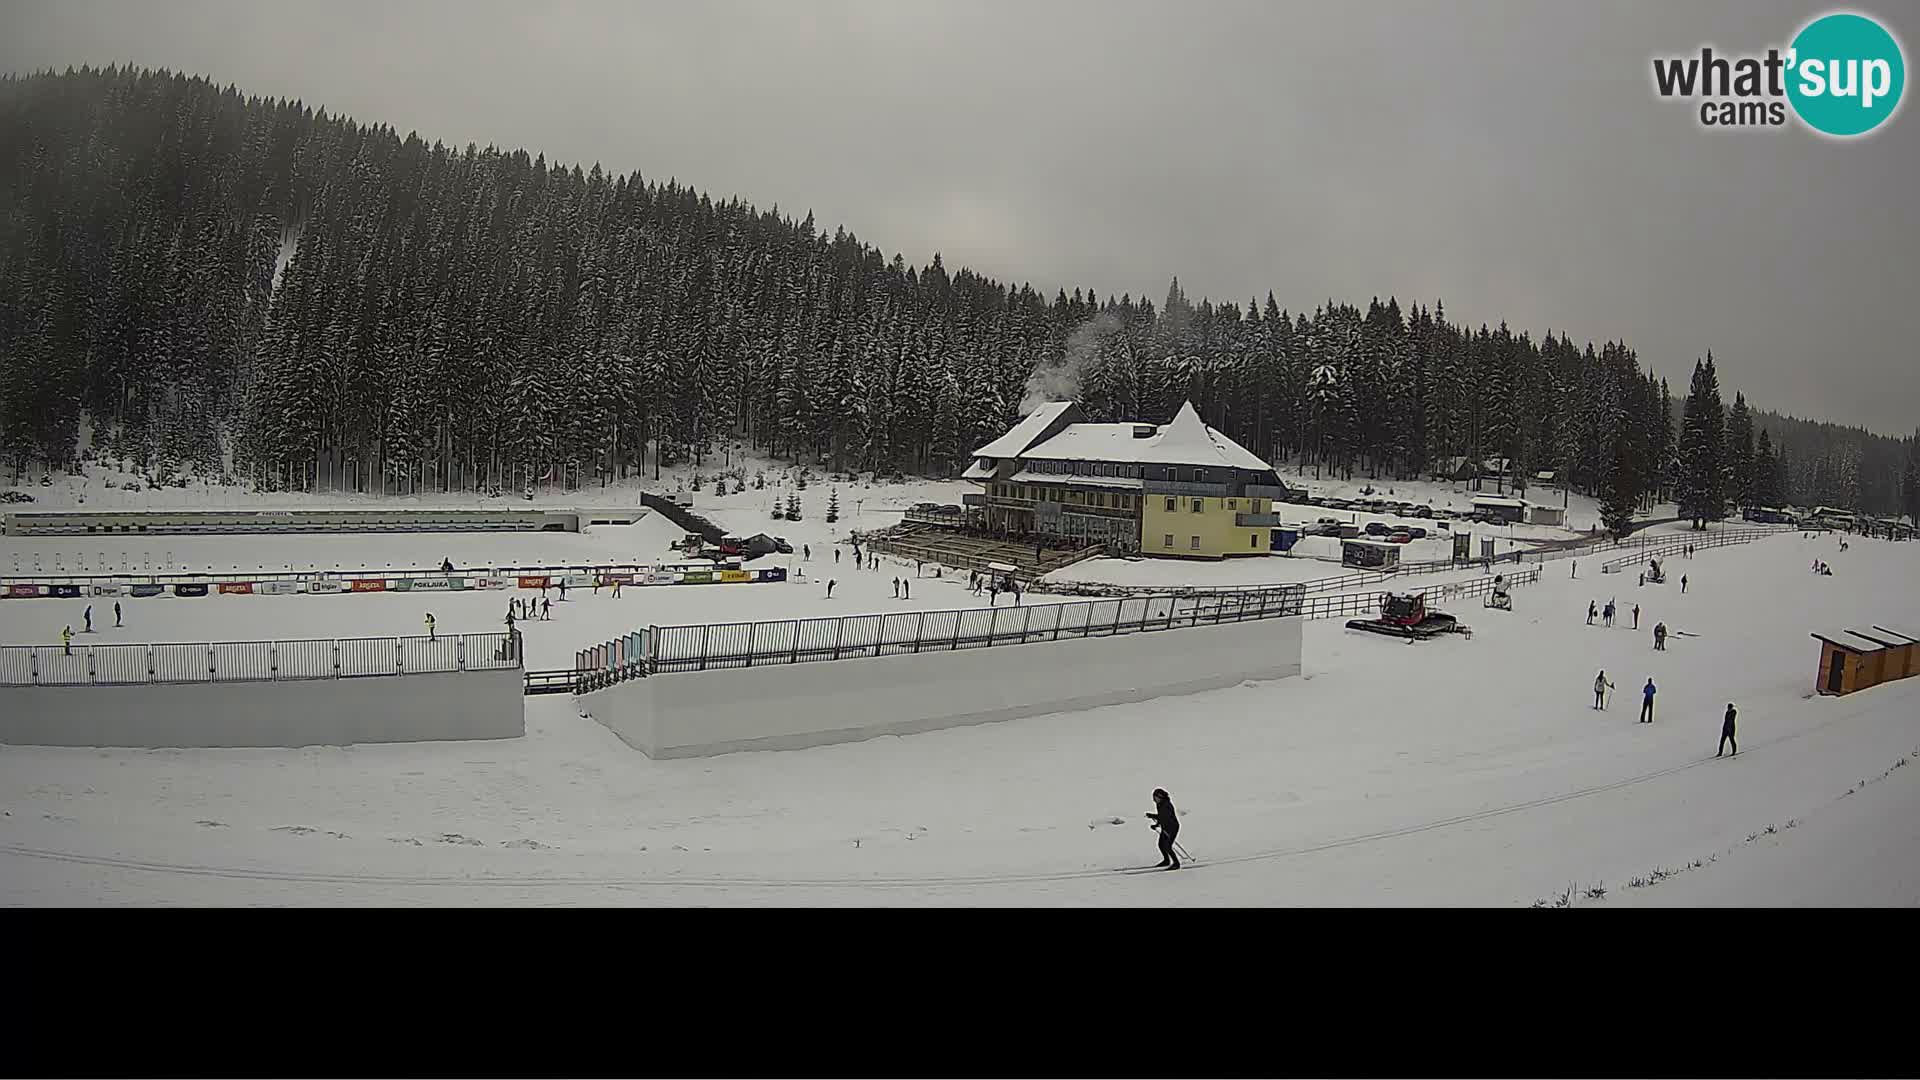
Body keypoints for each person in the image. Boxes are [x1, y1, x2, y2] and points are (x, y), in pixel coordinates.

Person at [1147, 788, 1181, 870]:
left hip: (1172, 827)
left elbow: (1163, 817)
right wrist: (1156, 825)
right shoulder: (1160, 804)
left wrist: (1153, 816)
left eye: (1155, 797)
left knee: (1168, 846)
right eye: (1153, 798)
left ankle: (1176, 864)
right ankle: (1166, 860)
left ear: (1160, 797)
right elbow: (1161, 817)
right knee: (1161, 845)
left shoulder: (1166, 805)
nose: (1154, 800)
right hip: (1165, 827)